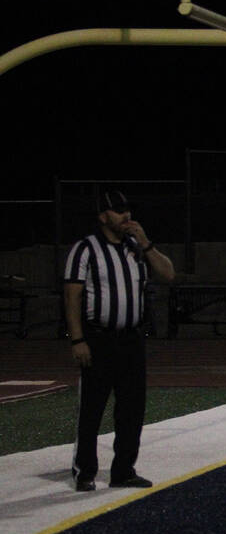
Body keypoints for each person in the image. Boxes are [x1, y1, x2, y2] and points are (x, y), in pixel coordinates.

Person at [63, 189, 176, 491]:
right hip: (98, 339)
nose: (126, 215)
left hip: (131, 340)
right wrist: (77, 339)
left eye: (127, 209)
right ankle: (84, 470)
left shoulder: (135, 248)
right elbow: (72, 297)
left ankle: (123, 470)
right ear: (103, 217)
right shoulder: (85, 249)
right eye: (118, 211)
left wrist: (146, 242)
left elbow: (168, 274)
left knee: (132, 408)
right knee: (92, 408)